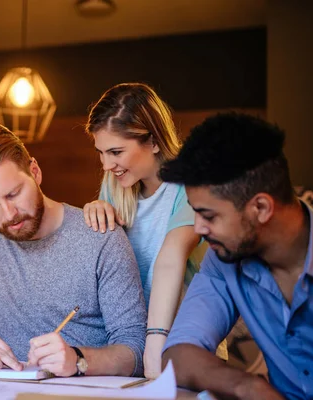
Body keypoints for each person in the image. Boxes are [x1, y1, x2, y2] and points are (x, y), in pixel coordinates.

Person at [0, 123, 146, 377]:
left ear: (35, 171)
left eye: (14, 194)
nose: (9, 214)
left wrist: (78, 360)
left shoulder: (100, 236)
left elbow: (136, 350)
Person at [160, 112, 313, 400]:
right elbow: (178, 355)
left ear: (261, 208)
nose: (198, 228)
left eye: (209, 215)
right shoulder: (224, 260)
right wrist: (248, 386)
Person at [82, 83, 214, 378]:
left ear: (153, 141)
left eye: (116, 152)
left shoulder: (193, 182)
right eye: (101, 153)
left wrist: (155, 341)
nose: (106, 165)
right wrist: (93, 211)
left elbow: (171, 256)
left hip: (181, 338)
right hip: (132, 341)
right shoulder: (116, 185)